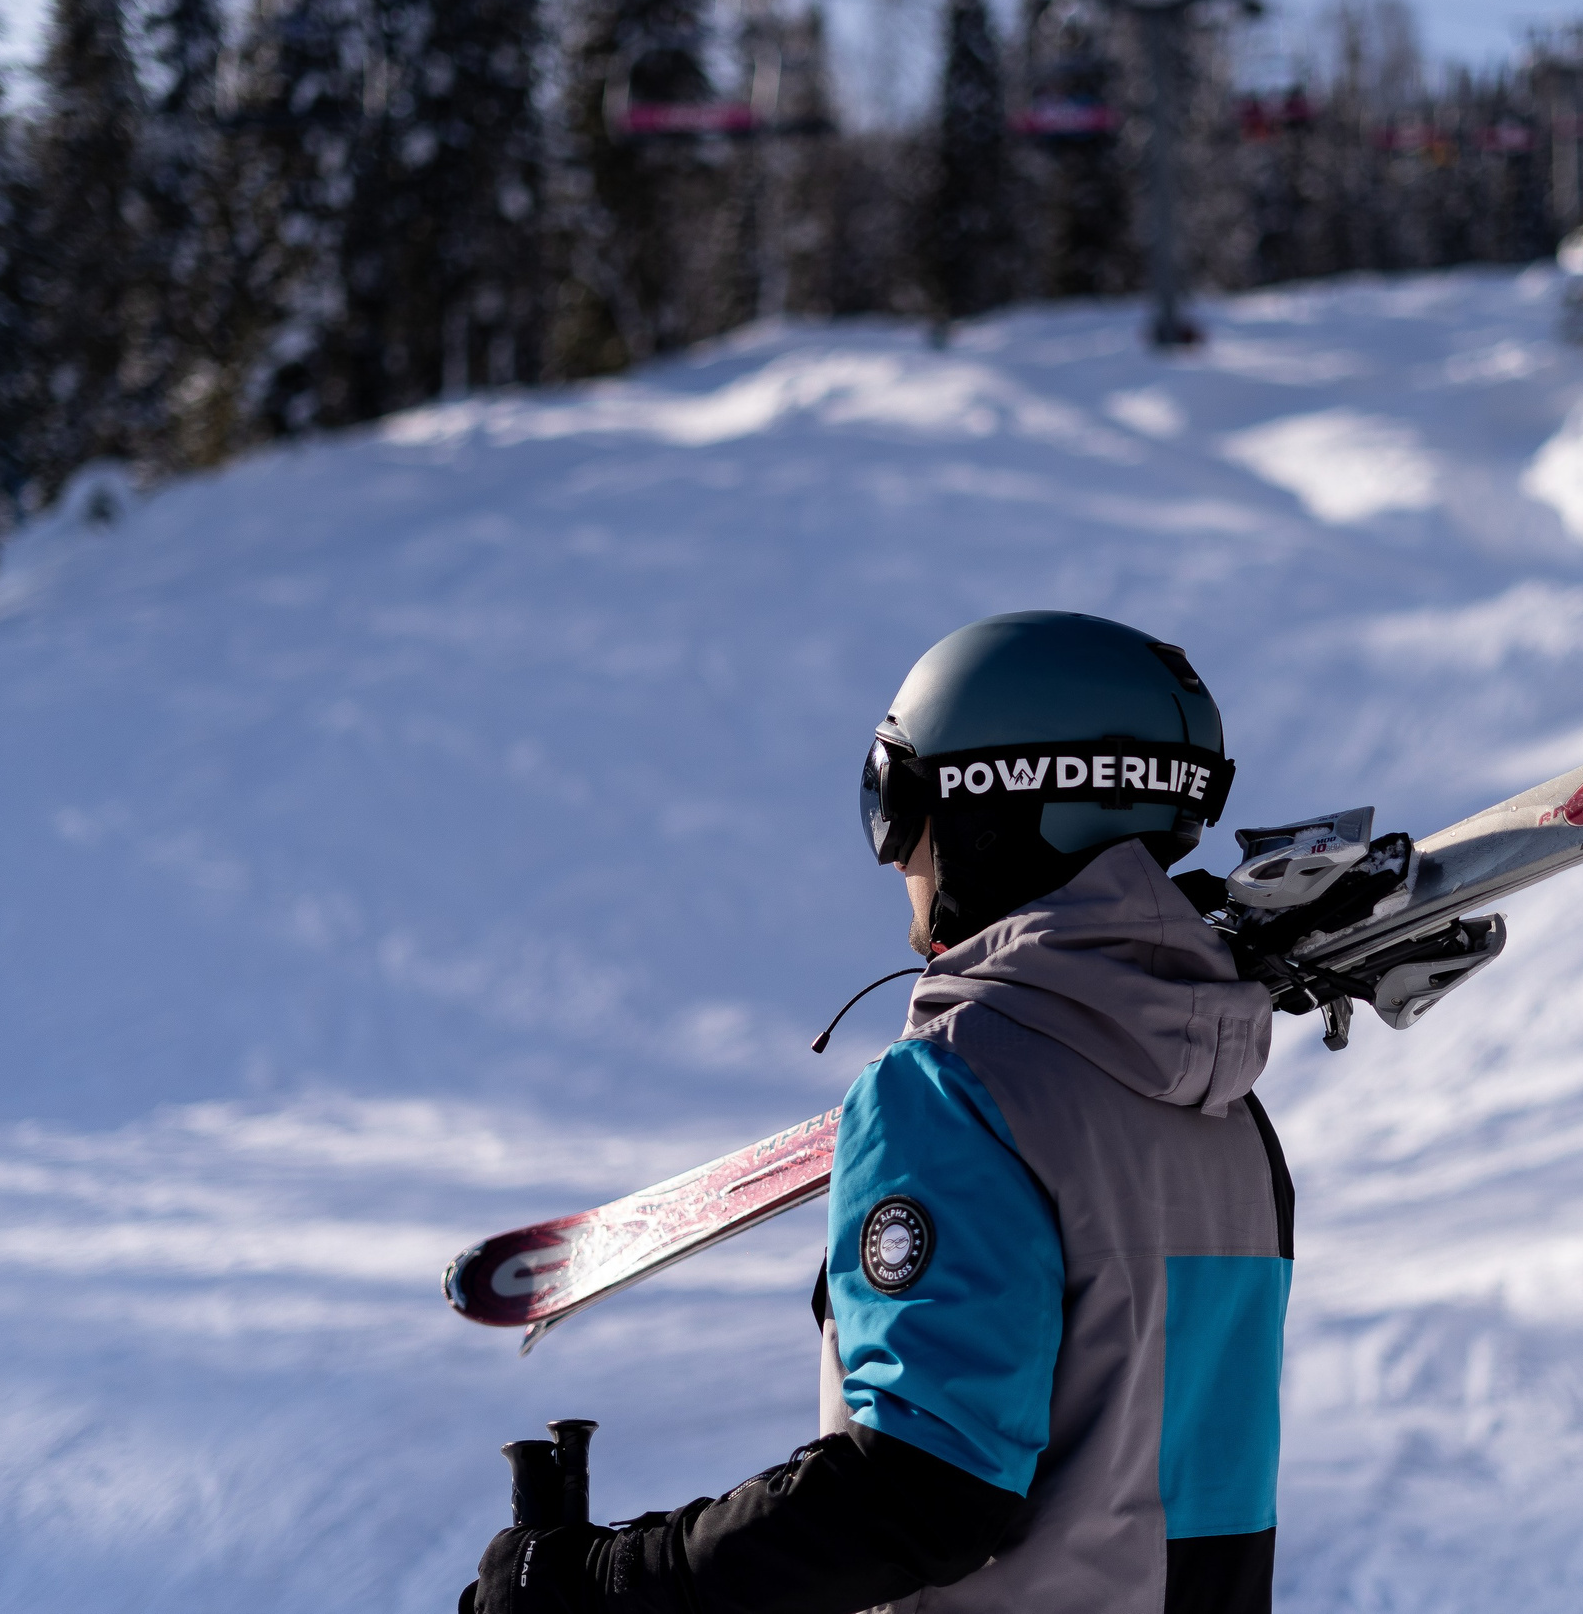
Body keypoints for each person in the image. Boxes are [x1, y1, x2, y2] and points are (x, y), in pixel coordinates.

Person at [465, 611, 1294, 1614]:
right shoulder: (1227, 1108)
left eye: (896, 803)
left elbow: (923, 1489)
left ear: (998, 805)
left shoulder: (954, 1091)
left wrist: (606, 1581)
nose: (895, 854)